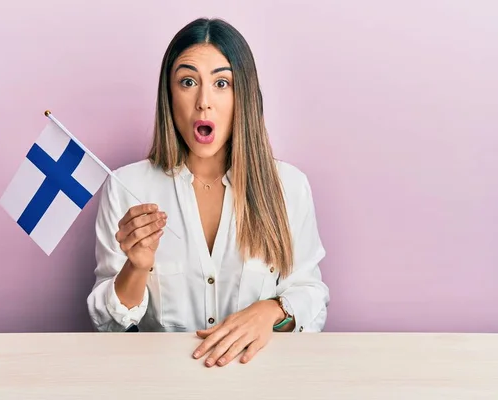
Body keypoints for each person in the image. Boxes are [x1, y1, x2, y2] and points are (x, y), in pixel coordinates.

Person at [87, 17, 329, 367]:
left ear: (242, 95)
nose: (204, 101)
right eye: (187, 82)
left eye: (221, 83)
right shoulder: (128, 188)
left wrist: (271, 312)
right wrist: (136, 269)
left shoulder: (289, 187)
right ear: (169, 96)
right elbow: (106, 327)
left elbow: (312, 299)